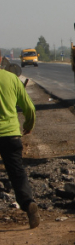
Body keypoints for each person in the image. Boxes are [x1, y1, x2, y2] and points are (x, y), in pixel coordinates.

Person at [0, 50, 39, 228]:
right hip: (11, 135)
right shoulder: (11, 79)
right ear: (1, 60)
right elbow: (29, 107)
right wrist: (28, 125)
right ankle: (28, 203)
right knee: (17, 173)